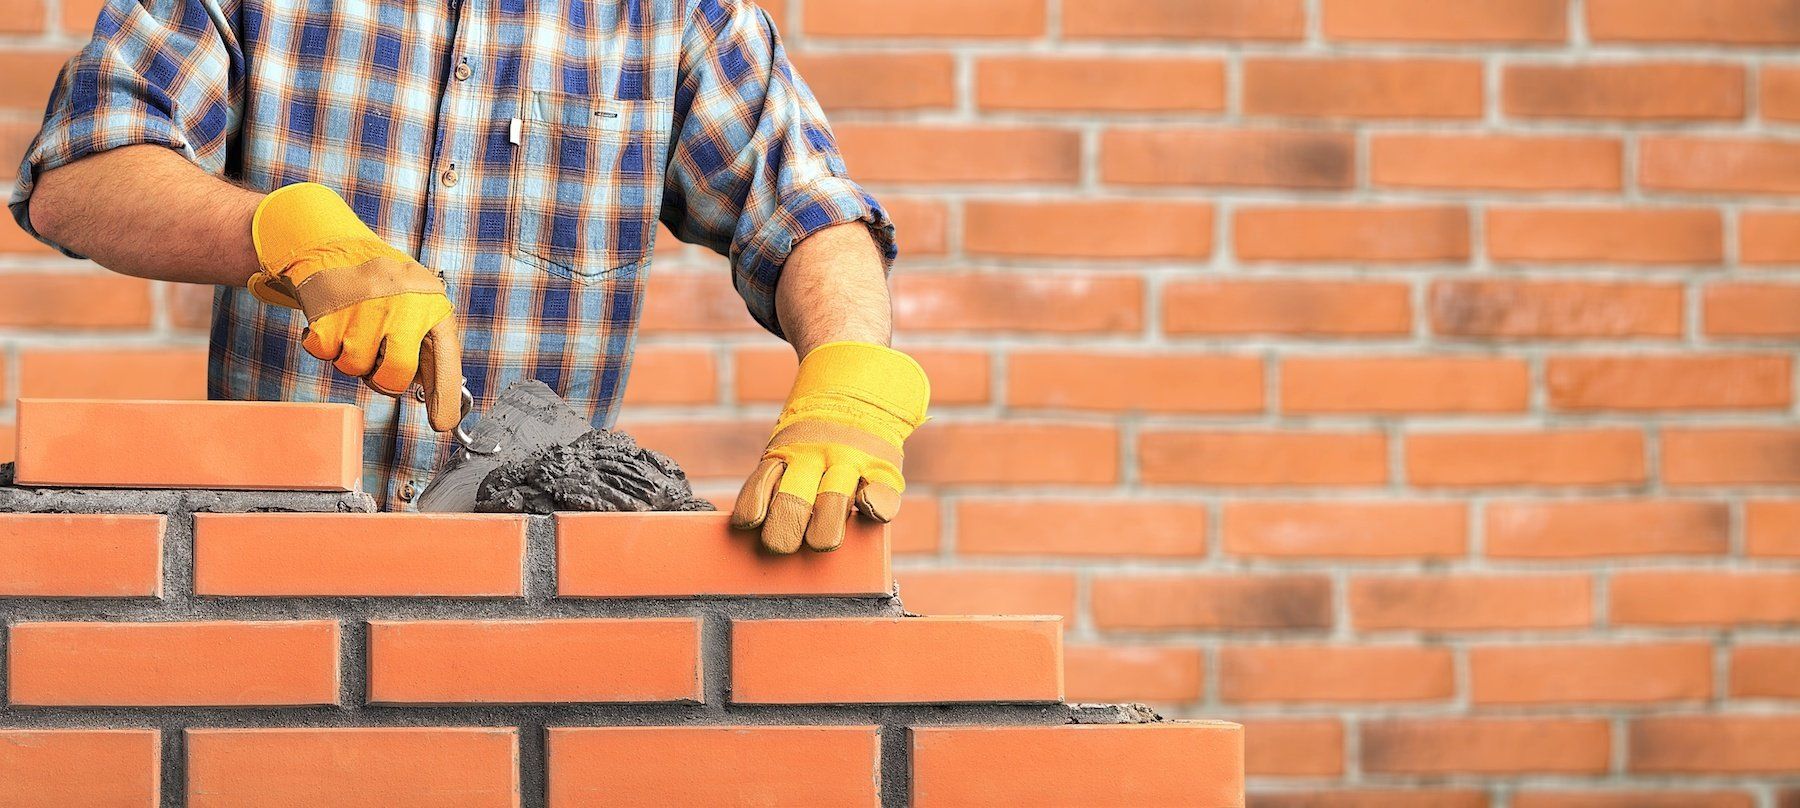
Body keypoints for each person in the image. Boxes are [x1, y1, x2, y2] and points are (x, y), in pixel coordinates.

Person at [7, 0, 928, 555]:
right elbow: (80, 174)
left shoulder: (674, 13)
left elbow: (805, 207)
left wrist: (850, 376)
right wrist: (283, 228)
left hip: (528, 597)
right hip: (263, 573)